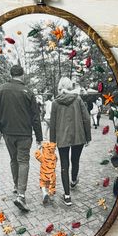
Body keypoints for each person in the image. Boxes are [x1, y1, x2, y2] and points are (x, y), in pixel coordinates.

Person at [0, 65, 43, 212]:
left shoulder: (1, 89)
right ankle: (21, 194)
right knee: (23, 161)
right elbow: (35, 117)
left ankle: (16, 186)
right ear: (22, 75)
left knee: (13, 159)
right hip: (25, 134)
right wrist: (39, 137)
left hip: (8, 133)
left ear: (11, 74)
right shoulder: (28, 92)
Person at [50, 77, 91, 206]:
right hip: (78, 136)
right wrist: (88, 136)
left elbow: (53, 124)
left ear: (59, 87)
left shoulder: (55, 103)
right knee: (75, 160)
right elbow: (86, 119)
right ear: (70, 87)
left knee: (64, 165)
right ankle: (73, 181)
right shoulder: (78, 99)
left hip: (62, 138)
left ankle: (67, 196)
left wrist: (52, 142)